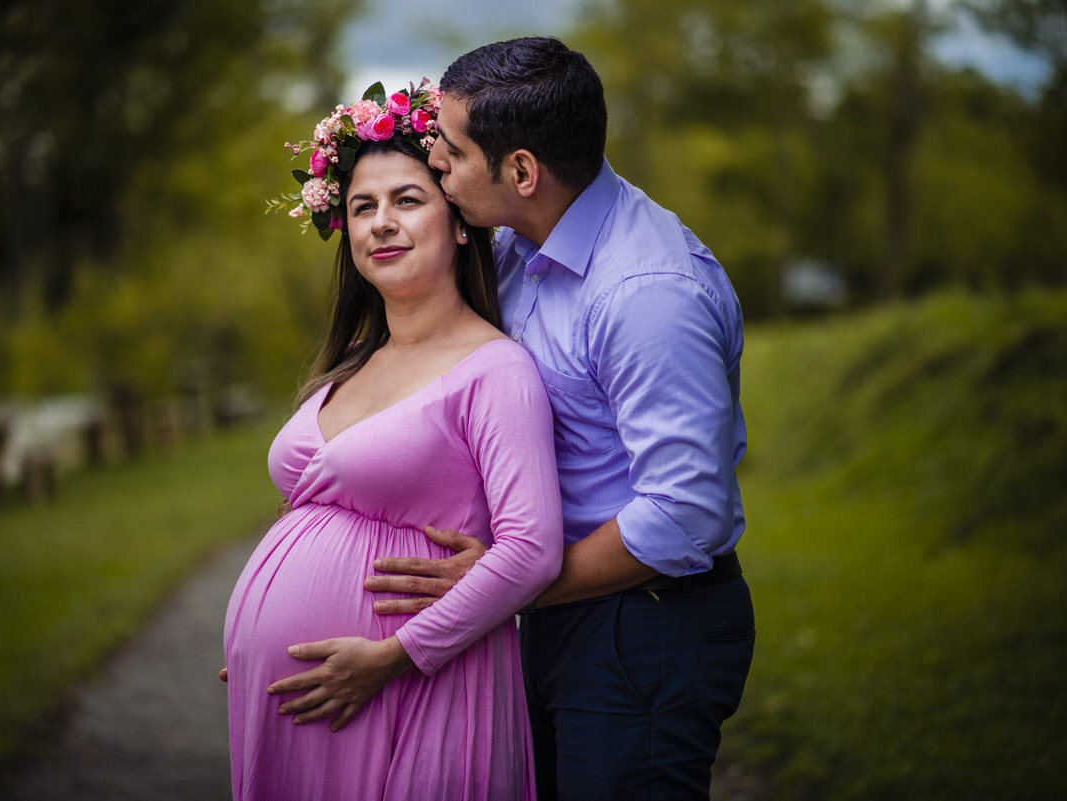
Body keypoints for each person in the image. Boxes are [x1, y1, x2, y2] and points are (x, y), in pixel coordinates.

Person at [359, 38, 756, 800]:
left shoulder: (647, 295)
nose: (437, 163)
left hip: (643, 625)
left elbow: (684, 516)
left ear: (521, 171)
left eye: (452, 151)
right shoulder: (516, 242)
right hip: (563, 607)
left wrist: (509, 584)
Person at [221, 81, 563, 801]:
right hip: (302, 691)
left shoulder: (496, 370)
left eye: (407, 200)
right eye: (362, 206)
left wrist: (392, 656)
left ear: (460, 221)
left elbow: (532, 550)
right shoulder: (348, 366)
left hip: (411, 684)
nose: (381, 223)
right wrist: (258, 631)